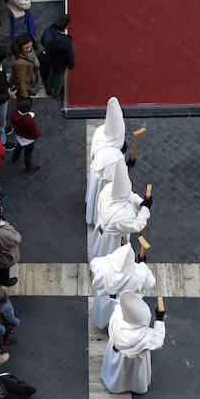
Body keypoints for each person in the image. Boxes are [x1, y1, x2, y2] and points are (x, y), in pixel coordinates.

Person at [101, 291, 165, 395]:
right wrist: (159, 320)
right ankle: (135, 386)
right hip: (136, 360)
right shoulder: (146, 336)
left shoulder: (117, 315)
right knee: (134, 373)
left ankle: (114, 384)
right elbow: (158, 342)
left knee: (118, 371)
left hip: (116, 351)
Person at [90, 159, 151, 261]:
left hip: (101, 228)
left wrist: (140, 202)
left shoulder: (108, 189)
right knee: (110, 258)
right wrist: (145, 209)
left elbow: (127, 193)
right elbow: (136, 225)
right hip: (113, 240)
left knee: (99, 250)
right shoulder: (122, 216)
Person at [90, 242, 156, 330]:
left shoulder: (104, 265)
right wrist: (142, 264)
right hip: (123, 306)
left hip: (104, 298)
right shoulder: (140, 272)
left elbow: (93, 264)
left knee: (102, 314)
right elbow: (151, 283)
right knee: (117, 322)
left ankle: (101, 323)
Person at [85, 96, 125, 225]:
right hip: (106, 185)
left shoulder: (99, 131)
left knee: (93, 196)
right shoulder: (116, 156)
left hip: (96, 171)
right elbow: (117, 179)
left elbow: (93, 153)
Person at [39, 13, 74, 96]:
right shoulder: (65, 42)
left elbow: (42, 41)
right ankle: (56, 93)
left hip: (49, 58)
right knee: (59, 77)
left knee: (51, 73)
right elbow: (68, 55)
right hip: (60, 63)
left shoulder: (49, 30)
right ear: (66, 26)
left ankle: (49, 90)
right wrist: (71, 65)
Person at [10, 32, 40, 99]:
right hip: (26, 85)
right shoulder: (19, 63)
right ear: (20, 47)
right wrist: (26, 97)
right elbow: (21, 82)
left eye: (30, 46)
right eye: (26, 48)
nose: (29, 49)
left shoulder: (28, 54)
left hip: (30, 77)